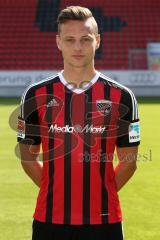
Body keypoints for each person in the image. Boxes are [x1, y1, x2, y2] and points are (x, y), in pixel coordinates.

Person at [17, 6, 140, 240]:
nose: (77, 47)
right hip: (49, 221)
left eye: (85, 39)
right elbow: (28, 158)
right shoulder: (35, 95)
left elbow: (129, 163)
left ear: (98, 41)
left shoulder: (123, 97)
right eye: (70, 39)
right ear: (58, 42)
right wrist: (57, 193)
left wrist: (98, 195)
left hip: (104, 221)